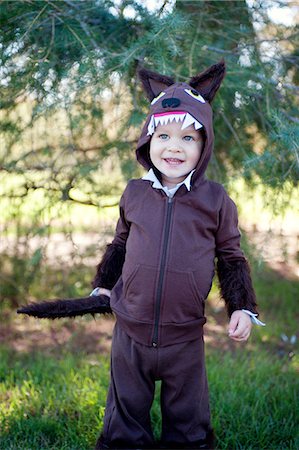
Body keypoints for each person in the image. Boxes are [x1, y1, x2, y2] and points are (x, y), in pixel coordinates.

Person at [91, 60, 265, 450]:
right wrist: (103, 286)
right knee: (125, 415)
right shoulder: (134, 193)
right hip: (131, 331)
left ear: (204, 146)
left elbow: (231, 257)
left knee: (188, 421)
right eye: (164, 136)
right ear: (147, 141)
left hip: (185, 335)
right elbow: (120, 245)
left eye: (189, 138)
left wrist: (241, 307)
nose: (174, 147)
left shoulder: (215, 200)